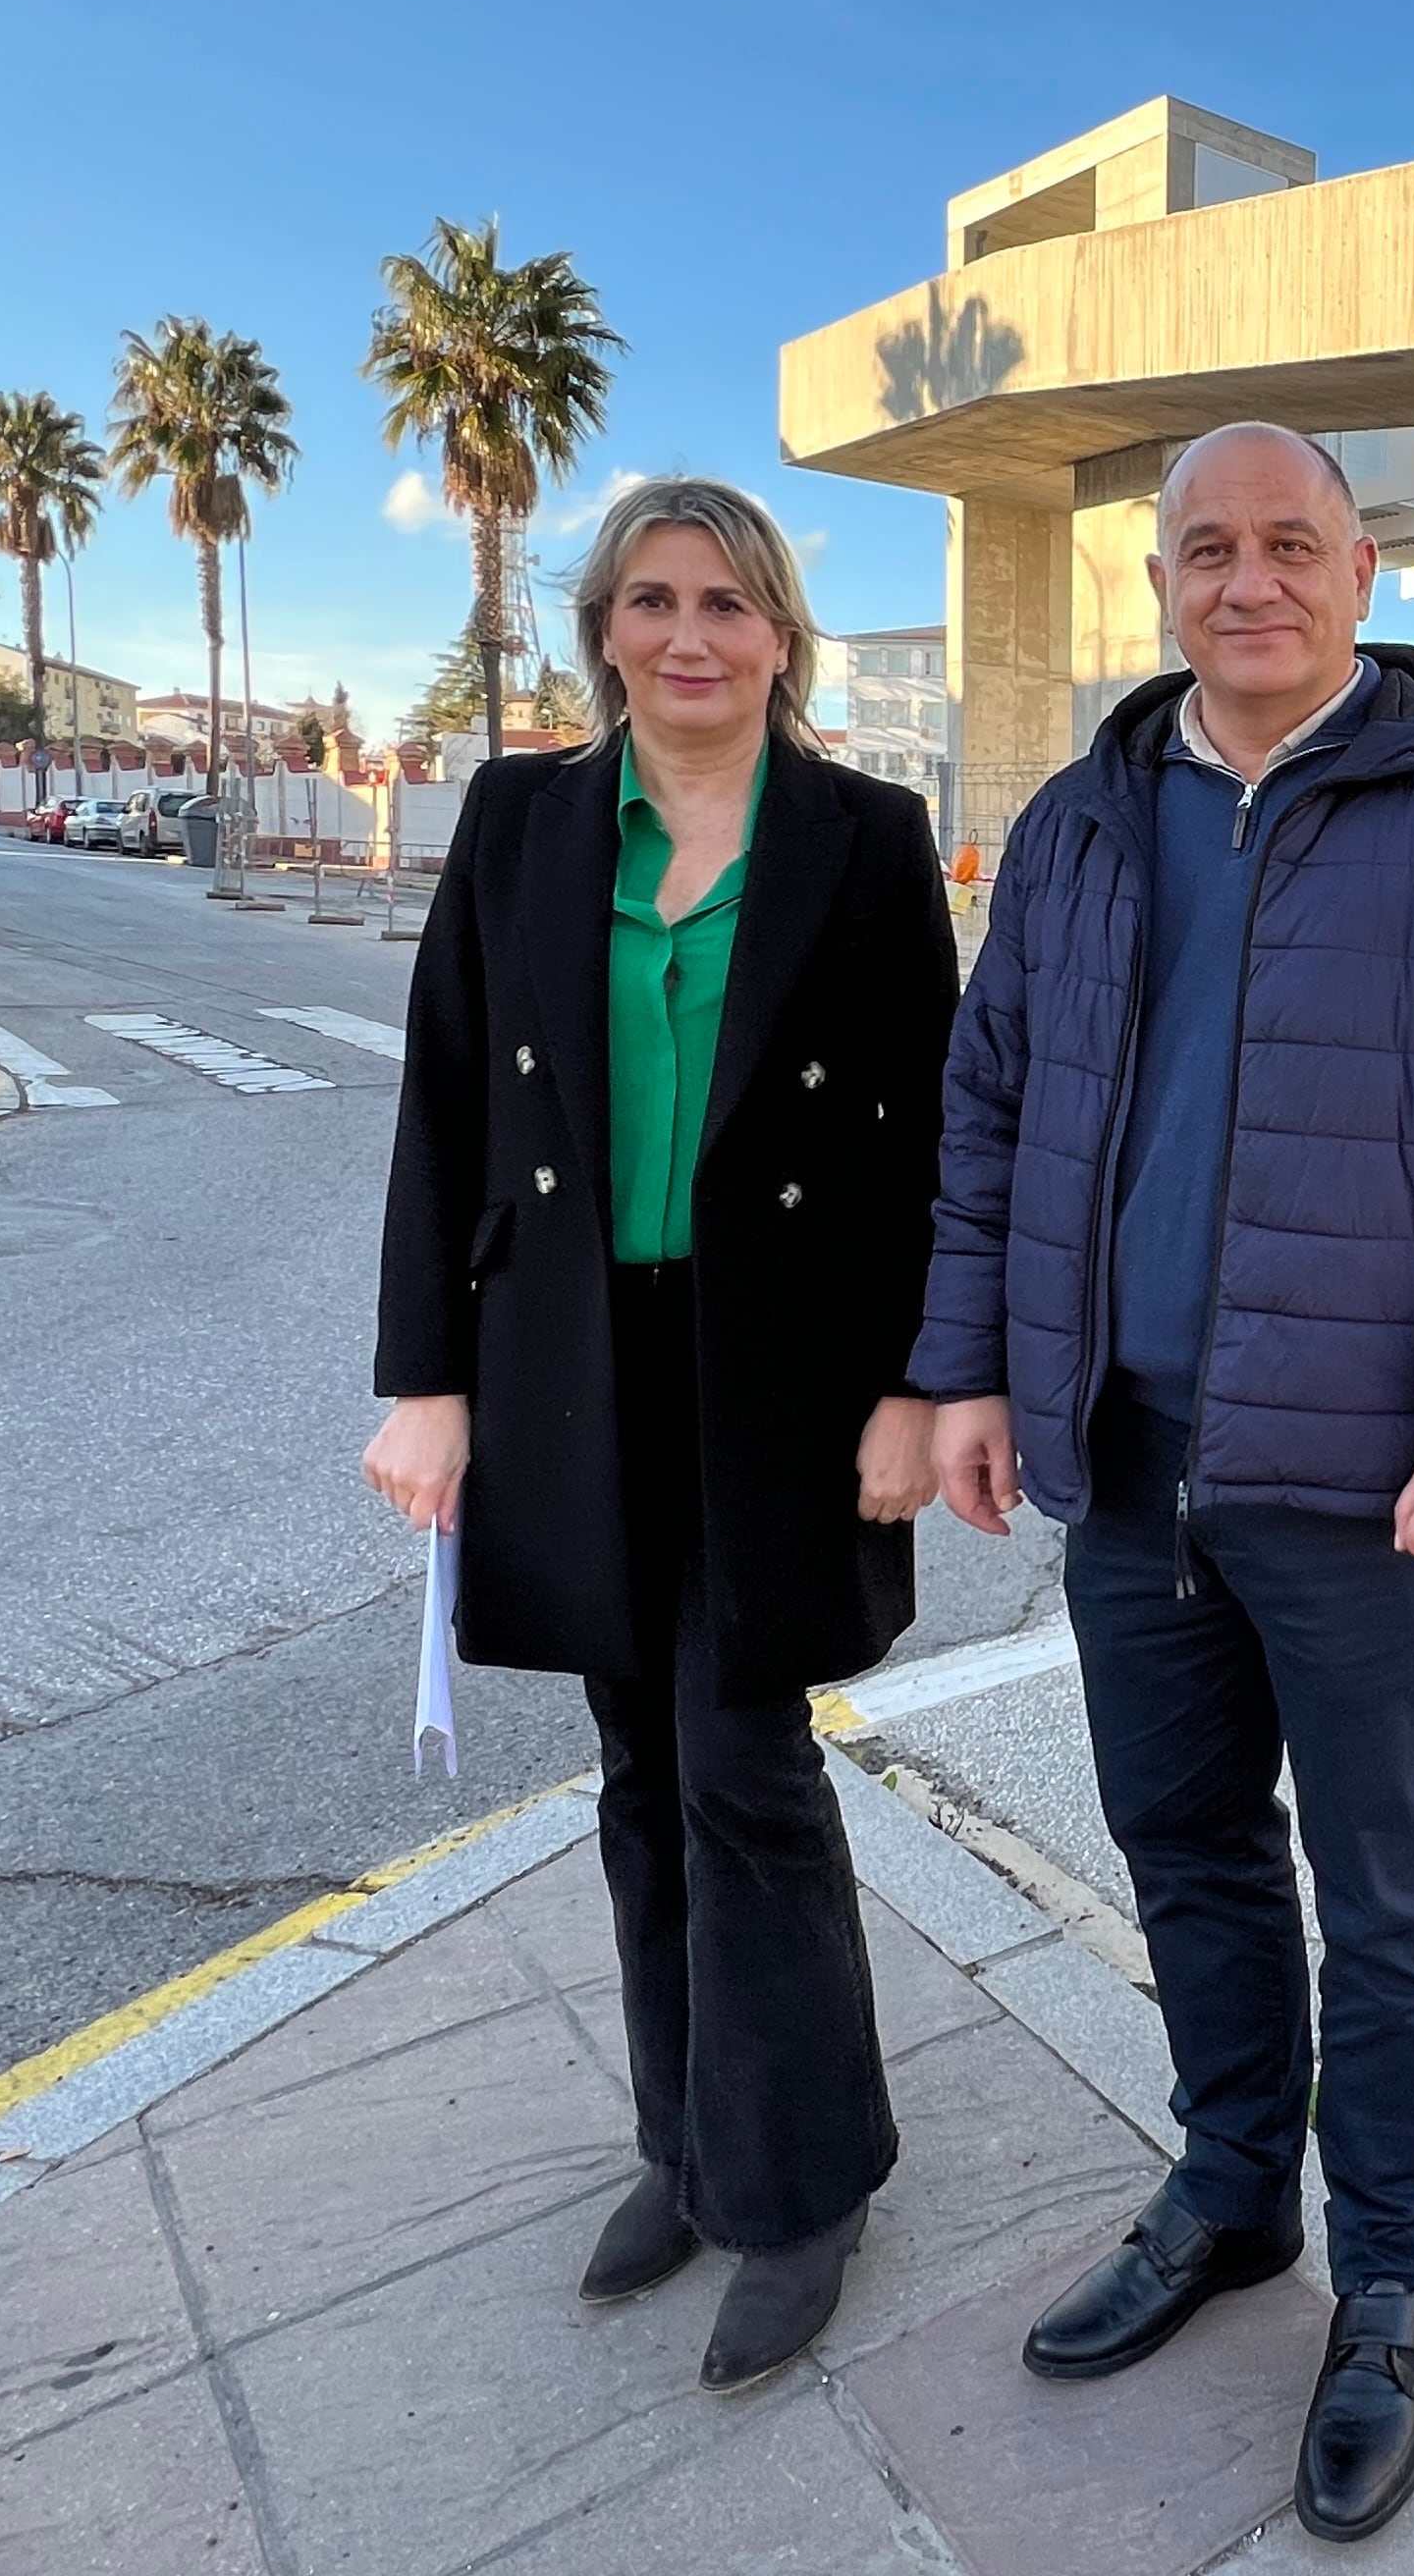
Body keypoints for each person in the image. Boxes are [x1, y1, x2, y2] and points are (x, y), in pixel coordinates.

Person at [916, 422, 1414, 2543]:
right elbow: (990, 1119)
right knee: (1183, 1840)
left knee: (1388, 1894)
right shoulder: (1081, 825)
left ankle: (1389, 2279)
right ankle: (1232, 2191)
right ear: (1159, 581)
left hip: (1363, 1483)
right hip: (1128, 1465)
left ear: (1361, 573)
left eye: (1289, 545)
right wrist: (962, 1370)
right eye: (1208, 549)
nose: (1249, 582)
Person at [363, 475, 958, 2394]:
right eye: (650, 601)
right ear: (602, 627)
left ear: (781, 635)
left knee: (742, 1766)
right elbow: (446, 1100)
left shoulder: (868, 842)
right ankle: (686, 2149)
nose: (687, 635)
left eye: (726, 603)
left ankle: (803, 2186)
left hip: (778, 1370)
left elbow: (925, 1151)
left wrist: (915, 1388)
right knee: (637, 1771)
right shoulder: (524, 817)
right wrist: (423, 1376)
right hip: (568, 1361)